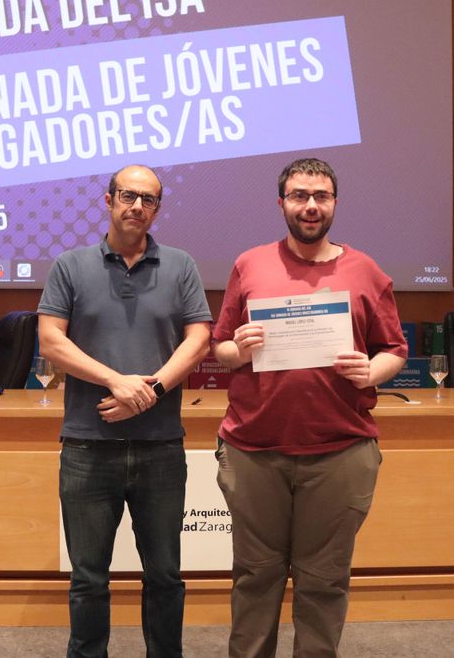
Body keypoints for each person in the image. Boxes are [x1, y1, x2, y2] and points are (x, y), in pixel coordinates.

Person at [212, 158, 408, 657]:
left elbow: (394, 350)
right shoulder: (249, 264)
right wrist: (241, 349)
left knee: (324, 581)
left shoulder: (366, 271)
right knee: (255, 577)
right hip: (253, 450)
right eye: (300, 195)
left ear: (335, 203)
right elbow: (221, 349)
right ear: (281, 203)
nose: (311, 206)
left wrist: (371, 371)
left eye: (321, 196)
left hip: (341, 450)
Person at [37, 164, 213, 658]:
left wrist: (152, 388)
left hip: (161, 449)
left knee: (165, 575)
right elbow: (51, 340)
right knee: (88, 578)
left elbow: (199, 339)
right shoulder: (70, 266)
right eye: (128, 196)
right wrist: (116, 381)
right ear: (109, 199)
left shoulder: (181, 266)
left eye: (148, 199)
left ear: (157, 208)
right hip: (87, 448)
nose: (137, 206)